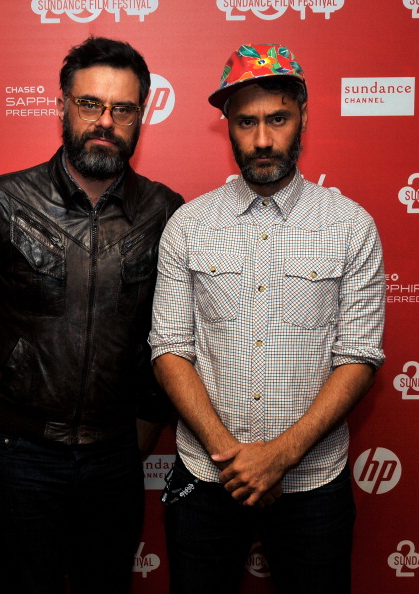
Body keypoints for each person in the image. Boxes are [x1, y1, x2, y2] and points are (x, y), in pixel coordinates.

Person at [149, 43, 385, 594]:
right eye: (246, 122)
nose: (261, 139)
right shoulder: (188, 225)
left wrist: (279, 456)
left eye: (277, 119)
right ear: (227, 126)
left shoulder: (350, 226)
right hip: (207, 476)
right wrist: (233, 458)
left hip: (313, 482)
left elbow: (359, 356)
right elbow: (169, 349)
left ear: (302, 117)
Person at [0, 36, 183, 594]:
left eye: (122, 109)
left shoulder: (165, 212)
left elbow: (170, 331)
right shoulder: (1, 201)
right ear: (62, 105)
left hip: (115, 453)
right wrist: (18, 397)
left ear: (140, 116)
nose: (105, 121)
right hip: (19, 453)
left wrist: (141, 427)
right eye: (90, 104)